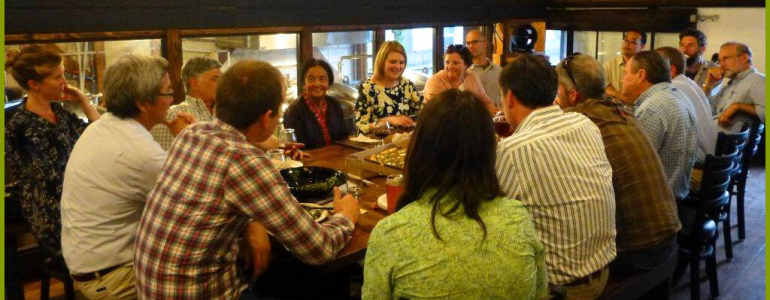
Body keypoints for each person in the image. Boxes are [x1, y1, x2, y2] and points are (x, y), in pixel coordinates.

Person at [134, 60, 361, 299]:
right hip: (201, 292)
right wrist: (346, 216)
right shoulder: (246, 162)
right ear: (266, 118)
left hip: (150, 286)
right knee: (305, 281)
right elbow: (319, 249)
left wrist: (253, 222)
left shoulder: (191, 134)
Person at [363, 89, 548, 300]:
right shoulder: (518, 218)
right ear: (488, 151)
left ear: (419, 149)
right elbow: (540, 293)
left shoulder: (390, 234)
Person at [61, 55, 194, 299]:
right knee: (214, 263)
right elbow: (194, 202)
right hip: (114, 277)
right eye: (167, 92)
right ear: (143, 102)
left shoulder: (104, 126)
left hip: (90, 263)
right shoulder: (139, 152)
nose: (172, 100)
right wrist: (187, 140)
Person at [496, 55, 616, 300]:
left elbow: (487, 218)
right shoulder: (584, 123)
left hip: (560, 290)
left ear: (509, 97)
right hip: (603, 273)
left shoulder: (513, 150)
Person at [554, 53, 680, 277]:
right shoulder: (621, 111)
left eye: (558, 91)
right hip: (669, 237)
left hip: (635, 252)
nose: (556, 97)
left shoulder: (578, 123)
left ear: (573, 94)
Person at [5, 45, 100, 254]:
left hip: (77, 203)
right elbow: (54, 183)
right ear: (35, 85)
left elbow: (100, 137)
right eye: (58, 77)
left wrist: (84, 102)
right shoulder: (23, 126)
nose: (65, 83)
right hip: (54, 215)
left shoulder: (59, 112)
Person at [620, 51, 697, 200]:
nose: (622, 79)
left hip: (659, 200)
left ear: (640, 75)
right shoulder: (678, 95)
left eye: (624, 73)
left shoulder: (652, 107)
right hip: (677, 188)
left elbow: (635, 165)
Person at [656, 46, 717, 164]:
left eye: (652, 66)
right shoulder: (688, 83)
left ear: (670, 70)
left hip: (697, 161)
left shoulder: (672, 88)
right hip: (708, 156)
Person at [151, 56, 221, 151]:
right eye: (215, 79)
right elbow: (167, 161)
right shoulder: (173, 115)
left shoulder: (226, 114)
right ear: (195, 83)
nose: (222, 83)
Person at [283, 59, 351, 149]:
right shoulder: (294, 111)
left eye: (322, 79)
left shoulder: (334, 104)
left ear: (329, 83)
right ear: (304, 83)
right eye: (311, 79)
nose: (317, 84)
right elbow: (296, 148)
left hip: (336, 159)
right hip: (308, 162)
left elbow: (343, 138)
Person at [356, 41, 420, 134]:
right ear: (382, 62)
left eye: (401, 62)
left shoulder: (407, 85)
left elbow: (425, 111)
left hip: (402, 143)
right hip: (378, 145)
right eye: (393, 62)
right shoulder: (367, 88)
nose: (398, 66)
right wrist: (388, 121)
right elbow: (360, 128)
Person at [703, 42, 765, 133]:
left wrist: (738, 106)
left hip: (724, 144)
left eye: (725, 58)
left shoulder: (757, 79)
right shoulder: (730, 86)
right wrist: (708, 85)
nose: (721, 65)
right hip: (710, 137)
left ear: (744, 58)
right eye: (720, 61)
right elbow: (704, 110)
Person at [424, 44, 497, 114]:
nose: (450, 66)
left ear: (466, 65)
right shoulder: (435, 81)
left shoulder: (471, 77)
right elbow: (442, 112)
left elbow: (486, 101)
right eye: (447, 62)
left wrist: (495, 112)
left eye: (455, 63)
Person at [604, 30, 646, 103]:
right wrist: (623, 97)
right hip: (615, 109)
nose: (627, 43)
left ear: (642, 46)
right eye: (625, 40)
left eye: (633, 42)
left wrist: (613, 92)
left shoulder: (646, 66)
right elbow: (605, 88)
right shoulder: (609, 65)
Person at [465, 29, 503, 108]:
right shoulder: (465, 73)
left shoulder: (499, 71)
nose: (471, 46)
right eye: (468, 43)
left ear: (485, 44)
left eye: (474, 42)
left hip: (497, 118)